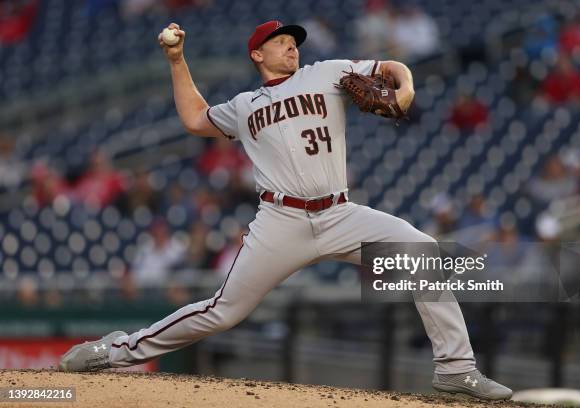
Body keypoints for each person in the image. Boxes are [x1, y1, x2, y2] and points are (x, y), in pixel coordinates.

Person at [59, 20, 512, 400]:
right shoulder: (244, 106)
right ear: (257, 54)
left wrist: (406, 88)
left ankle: (455, 369)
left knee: (423, 252)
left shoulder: (327, 72)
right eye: (281, 42)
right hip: (281, 220)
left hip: (340, 213)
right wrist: (177, 61)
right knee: (223, 311)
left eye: (294, 42)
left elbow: (390, 67)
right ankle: (114, 352)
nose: (291, 46)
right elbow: (195, 119)